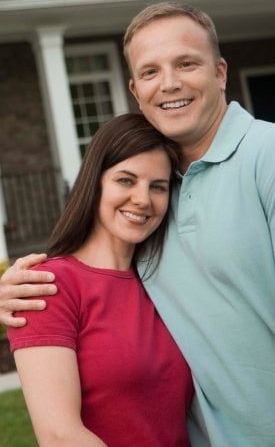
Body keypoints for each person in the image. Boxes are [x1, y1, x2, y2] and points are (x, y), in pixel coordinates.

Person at [1, 2, 275, 446]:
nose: (169, 83)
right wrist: (15, 293)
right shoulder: (157, 215)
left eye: (186, 63)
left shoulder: (267, 156)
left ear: (221, 73)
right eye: (151, 71)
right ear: (135, 89)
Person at [7, 113, 194, 446]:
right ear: (95, 182)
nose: (142, 199)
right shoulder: (47, 286)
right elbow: (59, 435)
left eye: (158, 187)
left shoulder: (166, 283)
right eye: (126, 180)